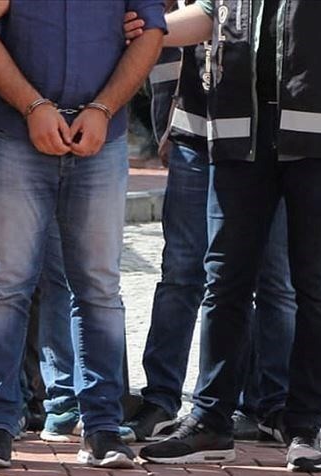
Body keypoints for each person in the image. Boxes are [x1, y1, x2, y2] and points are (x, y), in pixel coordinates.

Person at [138, 0, 321, 473]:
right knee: (224, 280)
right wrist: (146, 28)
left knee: (316, 288)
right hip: (239, 133)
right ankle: (210, 421)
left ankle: (302, 429)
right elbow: (210, 13)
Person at [0, 0, 165, 469]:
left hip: (101, 137)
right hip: (15, 133)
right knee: (4, 284)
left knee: (98, 287)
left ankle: (102, 426)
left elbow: (151, 29)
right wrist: (33, 106)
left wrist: (103, 108)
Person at [122, 1, 295, 444]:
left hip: (266, 135)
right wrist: (166, 122)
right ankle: (162, 399)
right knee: (182, 271)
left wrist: (150, 28)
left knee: (272, 278)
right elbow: (179, 27)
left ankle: (268, 404)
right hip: (196, 130)